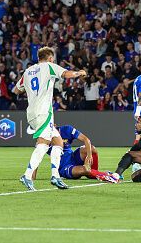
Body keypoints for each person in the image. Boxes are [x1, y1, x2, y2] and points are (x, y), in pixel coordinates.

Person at [12, 47, 87, 190]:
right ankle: (27, 175)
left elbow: (16, 90)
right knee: (43, 143)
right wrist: (80, 73)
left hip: (32, 112)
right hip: (43, 112)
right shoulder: (49, 66)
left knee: (58, 141)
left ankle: (55, 176)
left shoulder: (27, 71)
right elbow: (66, 74)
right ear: (50, 58)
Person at [32, 125, 111, 181]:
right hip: (64, 167)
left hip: (73, 157)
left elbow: (86, 139)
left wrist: (89, 156)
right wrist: (32, 176)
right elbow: (37, 158)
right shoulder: (43, 140)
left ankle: (94, 173)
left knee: (92, 149)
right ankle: (105, 175)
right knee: (84, 170)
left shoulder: (67, 129)